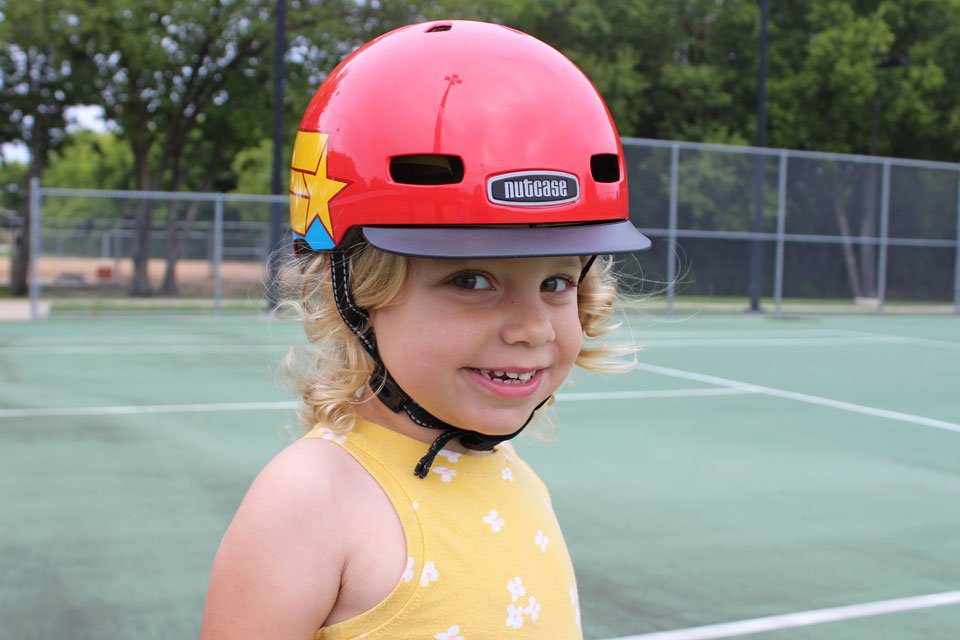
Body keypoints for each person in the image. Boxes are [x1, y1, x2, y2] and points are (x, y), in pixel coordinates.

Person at [201, 19, 650, 639]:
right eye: (471, 281)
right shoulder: (311, 499)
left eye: (557, 282)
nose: (531, 328)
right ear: (357, 294)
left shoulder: (514, 475)